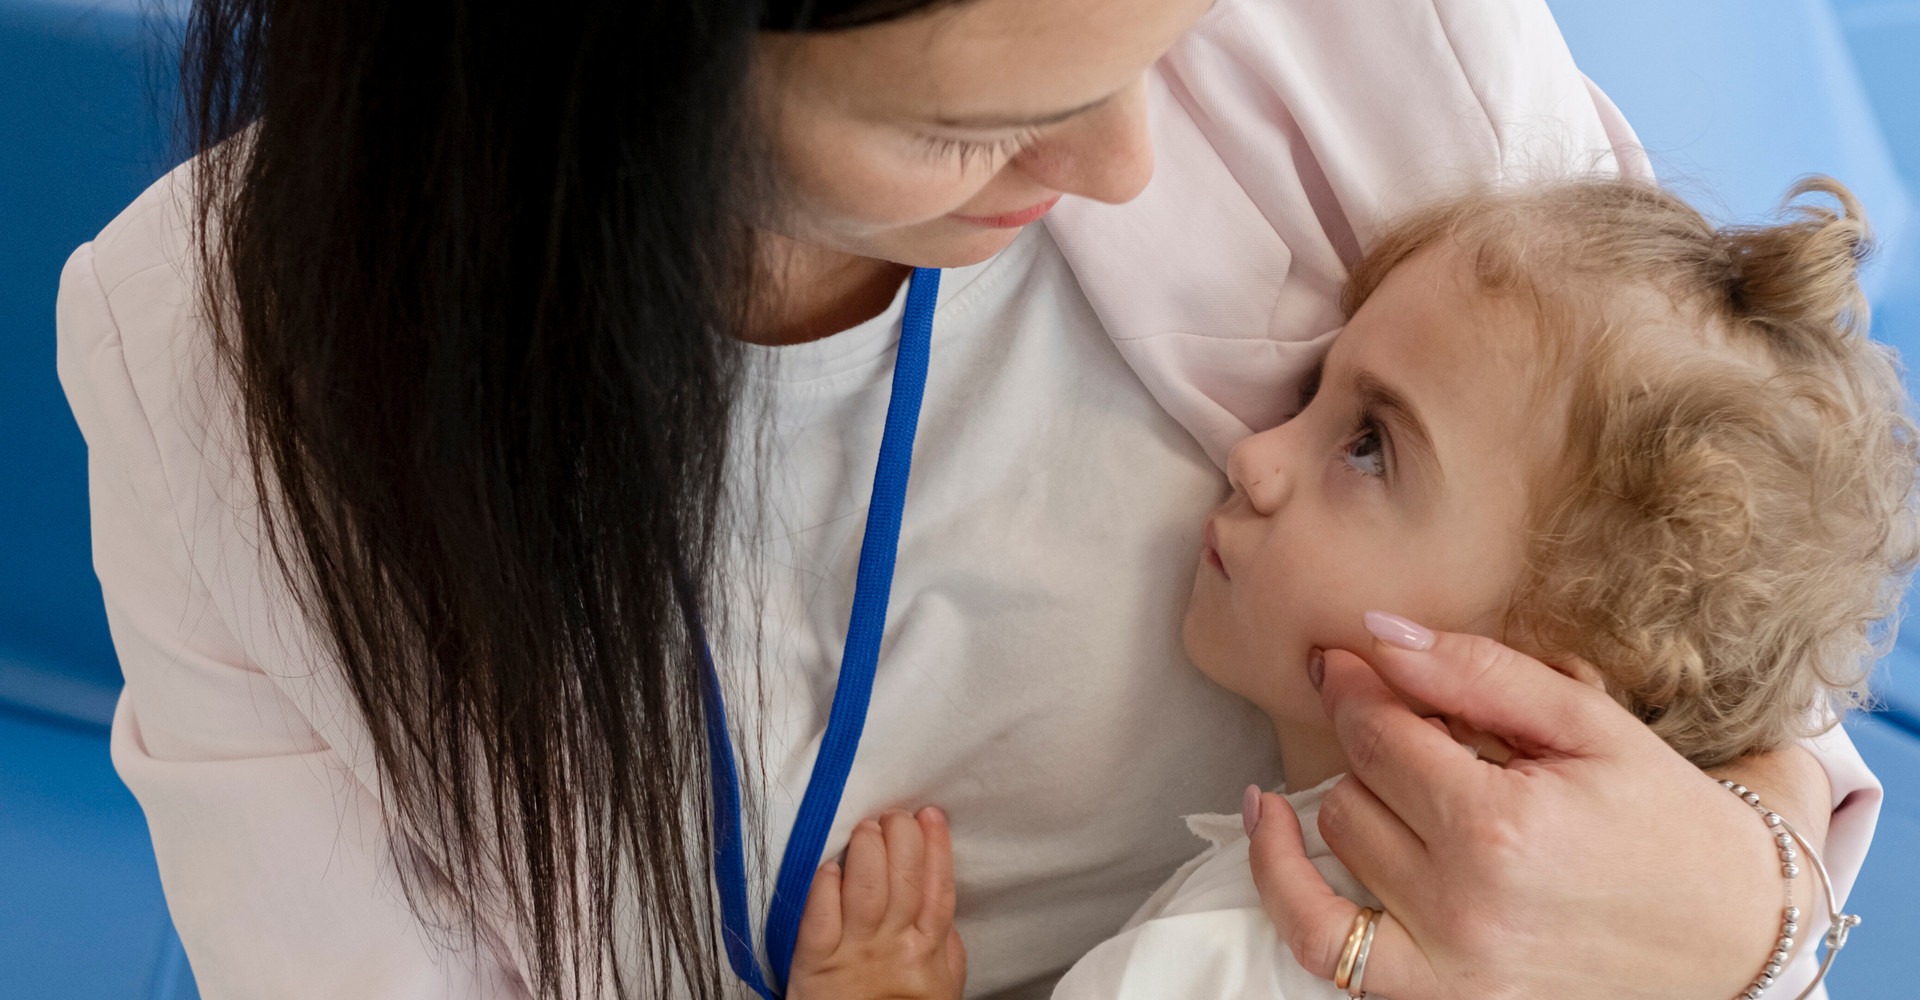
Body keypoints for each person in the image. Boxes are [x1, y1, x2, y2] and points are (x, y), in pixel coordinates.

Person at [54, 0, 1876, 998]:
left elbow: (1706, 639)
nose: (1122, 162)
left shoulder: (1393, 59)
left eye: (1149, 41)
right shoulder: (200, 373)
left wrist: (1743, 920)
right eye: (965, 125)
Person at [772, 176, 1913, 1000]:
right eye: (1319, 389)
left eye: (1368, 445)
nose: (1256, 455)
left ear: (1542, 680)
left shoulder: (1239, 956)